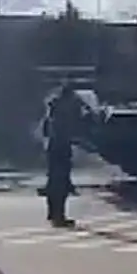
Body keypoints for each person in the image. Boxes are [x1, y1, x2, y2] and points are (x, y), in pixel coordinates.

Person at [40, 81, 84, 227]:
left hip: (53, 146)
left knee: (53, 180)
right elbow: (74, 126)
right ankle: (59, 216)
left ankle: (52, 213)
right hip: (61, 145)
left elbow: (45, 129)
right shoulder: (67, 108)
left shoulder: (53, 107)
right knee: (60, 182)